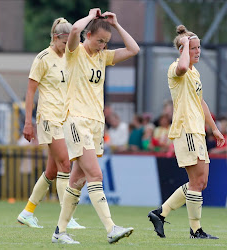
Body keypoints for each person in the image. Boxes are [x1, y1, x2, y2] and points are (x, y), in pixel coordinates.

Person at [51, 8, 139, 244]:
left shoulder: (103, 57)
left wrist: (117, 25)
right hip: (76, 120)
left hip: (95, 124)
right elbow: (76, 29)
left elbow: (134, 49)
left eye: (106, 42)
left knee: (77, 181)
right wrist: (91, 16)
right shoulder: (74, 52)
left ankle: (59, 232)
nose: (103, 45)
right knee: (95, 174)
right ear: (88, 36)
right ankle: (111, 228)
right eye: (99, 40)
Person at [148, 25, 225, 239]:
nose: (198, 51)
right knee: (197, 182)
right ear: (183, 49)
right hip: (186, 130)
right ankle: (195, 230)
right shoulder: (176, 68)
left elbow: (201, 102)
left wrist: (215, 129)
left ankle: (160, 214)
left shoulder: (195, 71)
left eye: (199, 47)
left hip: (196, 131)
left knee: (200, 183)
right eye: (193, 48)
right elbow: (182, 66)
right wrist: (183, 46)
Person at [17, 17, 84, 229]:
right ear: (56, 38)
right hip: (48, 118)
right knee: (66, 164)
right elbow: (30, 91)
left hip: (65, 118)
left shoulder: (70, 56)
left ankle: (27, 212)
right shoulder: (43, 58)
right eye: (65, 43)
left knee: (53, 171)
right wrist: (28, 122)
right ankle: (67, 217)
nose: (68, 47)